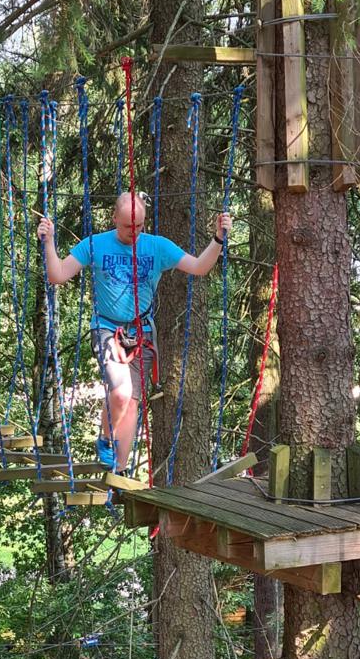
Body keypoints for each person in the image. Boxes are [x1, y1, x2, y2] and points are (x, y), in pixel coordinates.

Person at [38, 192, 232, 471]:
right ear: (114, 218)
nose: (134, 231)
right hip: (107, 328)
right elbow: (57, 275)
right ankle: (106, 440)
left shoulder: (157, 246)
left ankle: (118, 470)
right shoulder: (95, 244)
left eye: (139, 225)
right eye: (128, 225)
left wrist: (218, 239)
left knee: (131, 403)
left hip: (142, 332)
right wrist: (49, 242)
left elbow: (199, 267)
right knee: (120, 391)